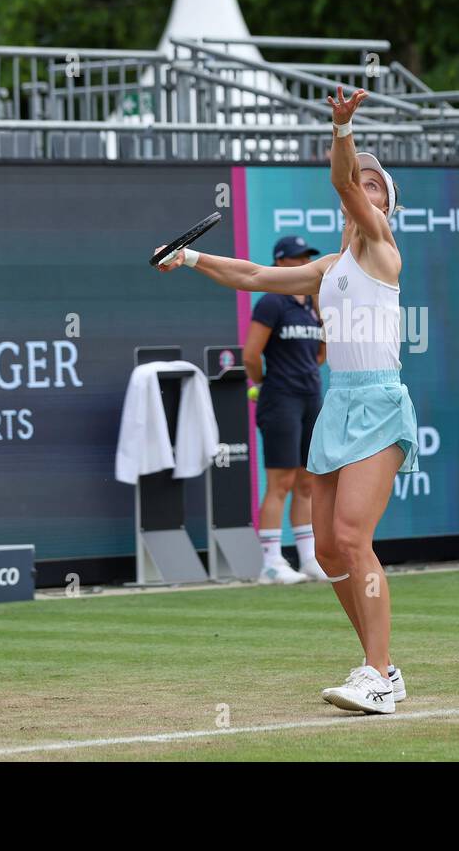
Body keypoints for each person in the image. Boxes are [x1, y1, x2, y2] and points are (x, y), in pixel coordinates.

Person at [155, 85, 419, 715]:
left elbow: (343, 182)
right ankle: (380, 666)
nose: (365, 189)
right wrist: (189, 258)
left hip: (380, 404)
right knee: (327, 549)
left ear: (385, 207)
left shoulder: (383, 249)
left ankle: (378, 673)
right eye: (365, 185)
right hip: (337, 405)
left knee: (354, 537)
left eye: (376, 186)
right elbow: (250, 275)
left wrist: (342, 133)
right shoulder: (327, 270)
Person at [245, 235, 330, 585]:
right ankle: (271, 562)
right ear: (280, 263)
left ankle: (308, 558)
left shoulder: (313, 306)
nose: (303, 264)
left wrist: (320, 306)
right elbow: (251, 354)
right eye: (295, 259)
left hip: (311, 397)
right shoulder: (271, 303)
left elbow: (321, 353)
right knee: (280, 482)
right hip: (279, 398)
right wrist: (264, 384)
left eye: (306, 259)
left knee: (307, 481)